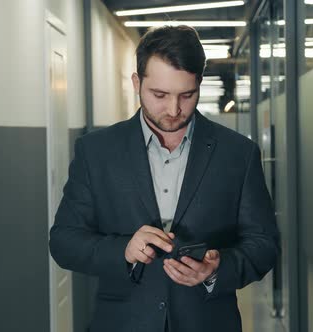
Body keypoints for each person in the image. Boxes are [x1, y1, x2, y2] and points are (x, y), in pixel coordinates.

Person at [49, 25, 279, 332]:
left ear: (199, 83)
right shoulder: (96, 151)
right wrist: (123, 250)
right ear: (136, 83)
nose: (173, 109)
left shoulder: (239, 154)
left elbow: (264, 245)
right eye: (159, 94)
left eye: (187, 94)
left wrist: (216, 270)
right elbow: (64, 241)